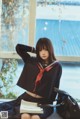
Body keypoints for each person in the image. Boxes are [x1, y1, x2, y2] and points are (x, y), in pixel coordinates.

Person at [0, 37, 62, 119]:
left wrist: (51, 102)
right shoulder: (31, 61)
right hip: (27, 98)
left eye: (46, 50)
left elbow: (56, 86)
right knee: (24, 116)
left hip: (43, 102)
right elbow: (19, 48)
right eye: (40, 50)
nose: (43, 53)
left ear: (50, 50)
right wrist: (34, 50)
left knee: (35, 117)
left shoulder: (57, 66)